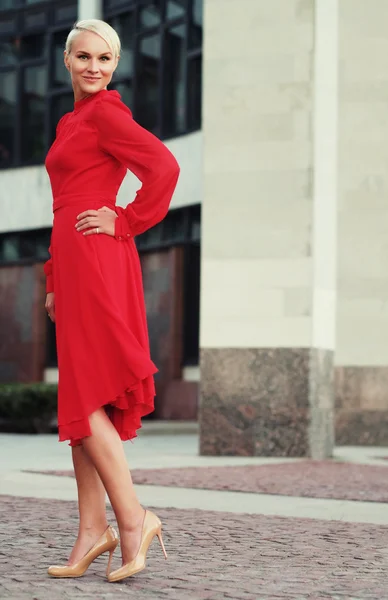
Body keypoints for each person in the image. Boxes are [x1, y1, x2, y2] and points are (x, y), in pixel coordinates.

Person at [43, 19, 179, 583]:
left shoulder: (105, 114)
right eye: (83, 57)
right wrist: (52, 278)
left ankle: (133, 517)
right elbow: (60, 204)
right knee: (83, 396)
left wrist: (125, 218)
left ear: (115, 65)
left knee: (84, 396)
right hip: (72, 265)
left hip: (100, 260)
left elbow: (165, 169)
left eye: (104, 58)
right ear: (67, 62)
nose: (93, 67)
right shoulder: (70, 120)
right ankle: (89, 530)